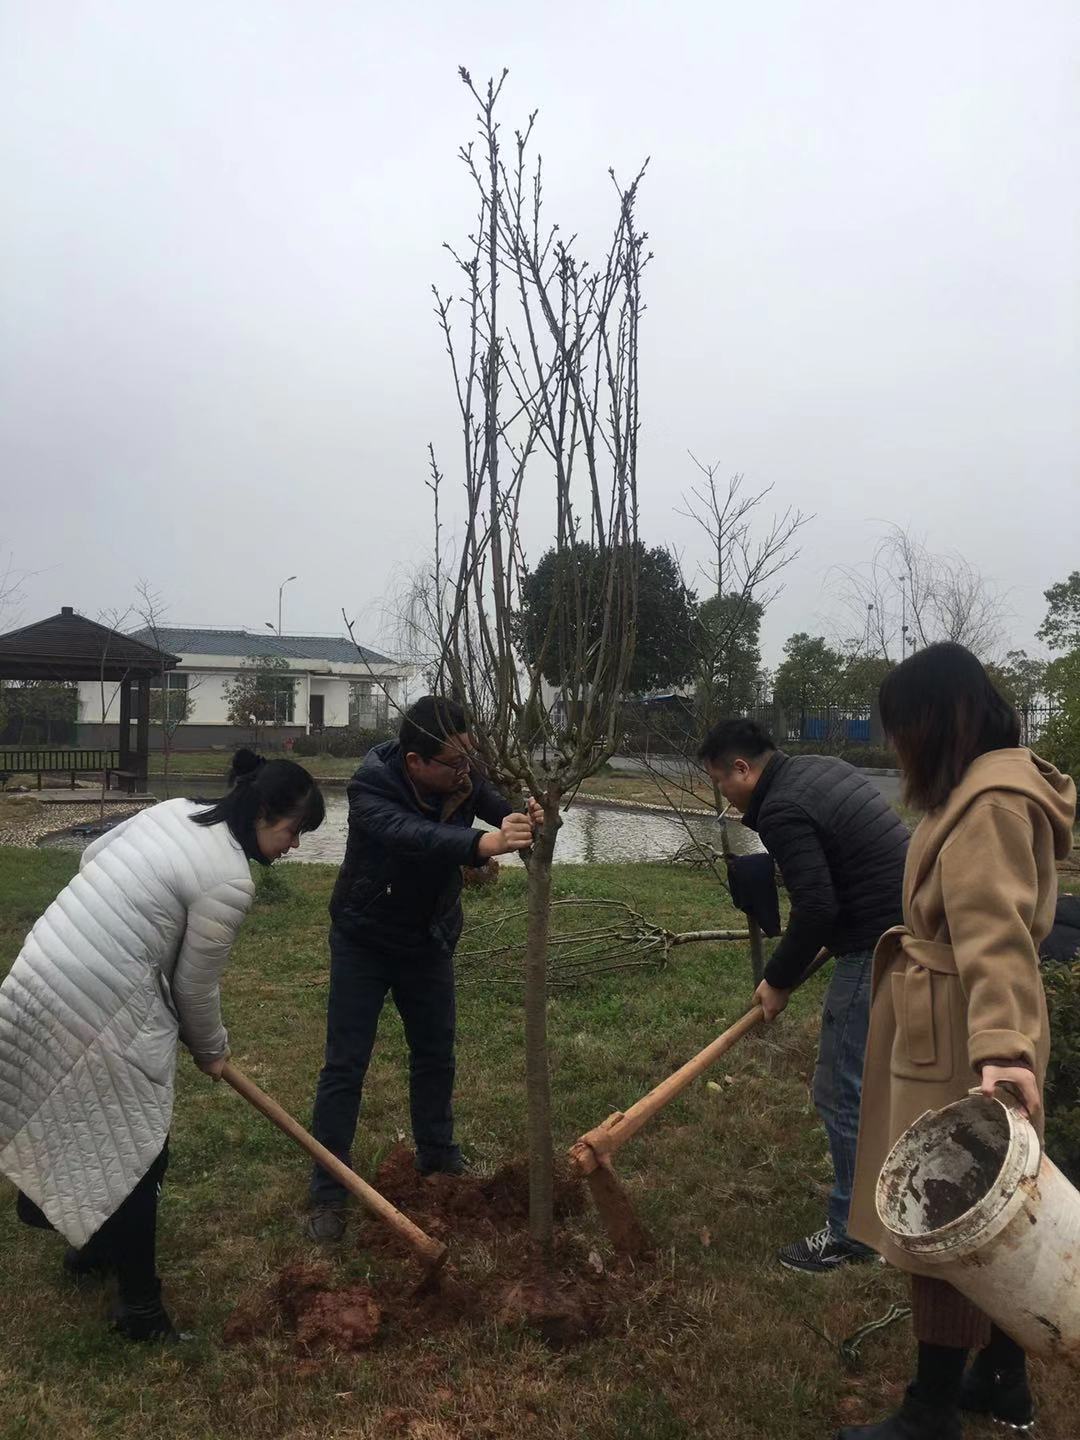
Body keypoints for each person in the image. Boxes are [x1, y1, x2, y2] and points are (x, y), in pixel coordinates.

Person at [0, 750, 325, 1342]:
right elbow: (194, 987)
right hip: (98, 1001)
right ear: (261, 811)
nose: (294, 846)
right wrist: (212, 1050)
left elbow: (92, 855)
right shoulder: (228, 877)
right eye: (293, 831)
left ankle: (90, 1245)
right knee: (137, 1156)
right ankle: (141, 1311)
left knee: (104, 1130)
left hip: (39, 969)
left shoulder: (174, 811)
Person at [839, 645, 1075, 1440]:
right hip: (949, 1018)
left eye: (903, 727)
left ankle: (931, 1411)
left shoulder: (989, 804)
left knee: (944, 1215)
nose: (898, 745)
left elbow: (993, 931)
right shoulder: (976, 791)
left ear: (937, 722)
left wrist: (1002, 1050)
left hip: (960, 1030)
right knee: (993, 1208)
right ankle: (1002, 1380)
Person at [306, 695, 538, 1241]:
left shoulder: (459, 771)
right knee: (345, 1065)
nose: (467, 772)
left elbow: (496, 801)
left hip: (429, 937)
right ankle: (328, 1190)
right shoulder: (370, 789)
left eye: (469, 759)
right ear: (415, 762)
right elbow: (418, 837)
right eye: (455, 764)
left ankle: (438, 1159)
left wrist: (524, 814)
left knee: (435, 1054)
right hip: (365, 937)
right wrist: (484, 843)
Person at [699, 717, 909, 1271]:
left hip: (879, 942)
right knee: (878, 1082)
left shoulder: (784, 808)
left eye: (721, 781)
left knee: (841, 1090)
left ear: (743, 768)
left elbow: (817, 906)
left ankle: (852, 1235)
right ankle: (878, 1197)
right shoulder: (821, 769)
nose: (722, 793)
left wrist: (779, 978)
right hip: (914, 926)